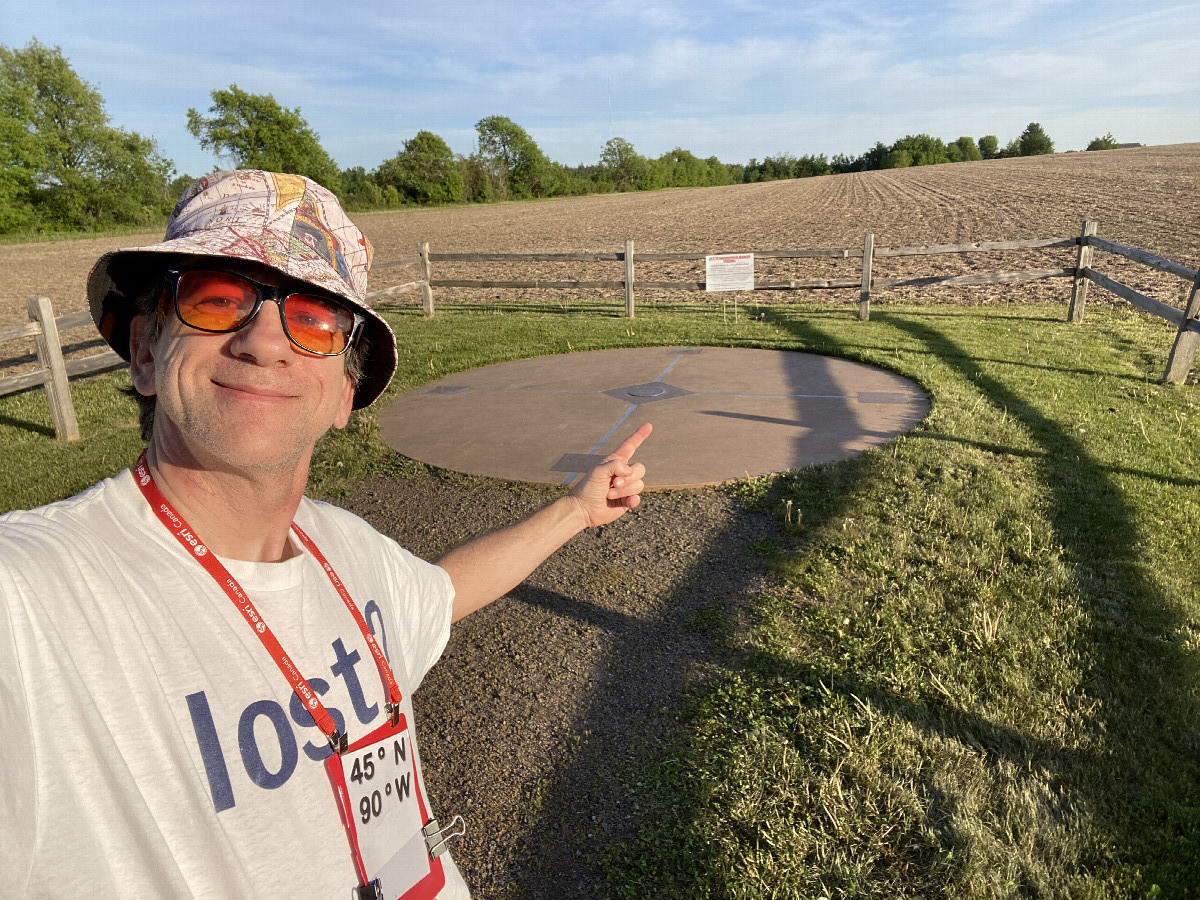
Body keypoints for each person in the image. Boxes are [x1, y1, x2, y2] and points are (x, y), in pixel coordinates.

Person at [0, 169, 650, 899]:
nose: (266, 341)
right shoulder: (32, 599)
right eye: (216, 299)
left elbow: (439, 594)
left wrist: (577, 510)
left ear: (344, 392)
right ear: (148, 351)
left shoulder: (342, 545)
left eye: (312, 318)